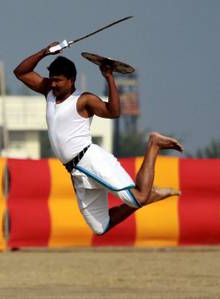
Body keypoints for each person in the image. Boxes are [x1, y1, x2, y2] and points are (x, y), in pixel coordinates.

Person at [13, 42, 183, 235]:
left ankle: (154, 145)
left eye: (58, 80)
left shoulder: (84, 99)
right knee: (100, 227)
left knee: (138, 197)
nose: (53, 83)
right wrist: (44, 52)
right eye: (52, 79)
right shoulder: (49, 92)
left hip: (90, 160)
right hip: (76, 171)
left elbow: (114, 112)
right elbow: (21, 72)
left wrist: (109, 77)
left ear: (71, 79)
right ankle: (148, 196)